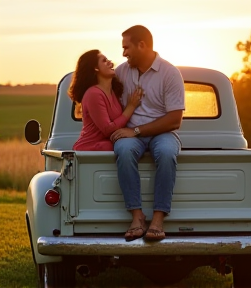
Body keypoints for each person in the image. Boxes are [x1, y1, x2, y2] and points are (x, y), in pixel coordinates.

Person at [110, 25, 185, 241]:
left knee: (167, 153)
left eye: (126, 47)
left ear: (142, 45)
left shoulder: (170, 73)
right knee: (122, 151)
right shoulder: (122, 72)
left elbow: (174, 120)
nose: (123, 53)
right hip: (130, 135)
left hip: (162, 133)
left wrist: (135, 130)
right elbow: (104, 97)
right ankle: (137, 216)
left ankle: (158, 219)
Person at [68, 49, 141, 151]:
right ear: (96, 68)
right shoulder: (93, 94)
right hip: (90, 149)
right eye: (104, 60)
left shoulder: (113, 92)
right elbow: (107, 129)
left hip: (106, 147)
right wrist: (131, 107)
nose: (110, 62)